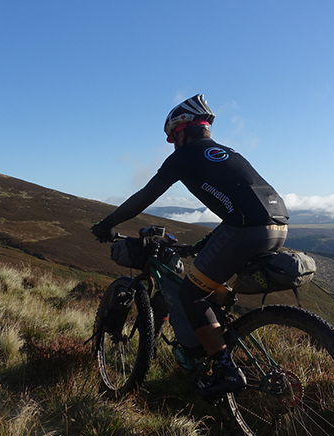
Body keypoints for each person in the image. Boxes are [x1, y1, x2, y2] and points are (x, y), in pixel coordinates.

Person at [91, 94, 289, 397]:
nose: (172, 144)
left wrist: (107, 224)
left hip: (246, 229)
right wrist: (204, 244)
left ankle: (225, 369)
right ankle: (210, 350)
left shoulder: (184, 156)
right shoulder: (227, 152)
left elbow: (144, 197)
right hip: (278, 225)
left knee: (190, 295)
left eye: (172, 137)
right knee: (210, 288)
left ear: (182, 130)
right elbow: (240, 205)